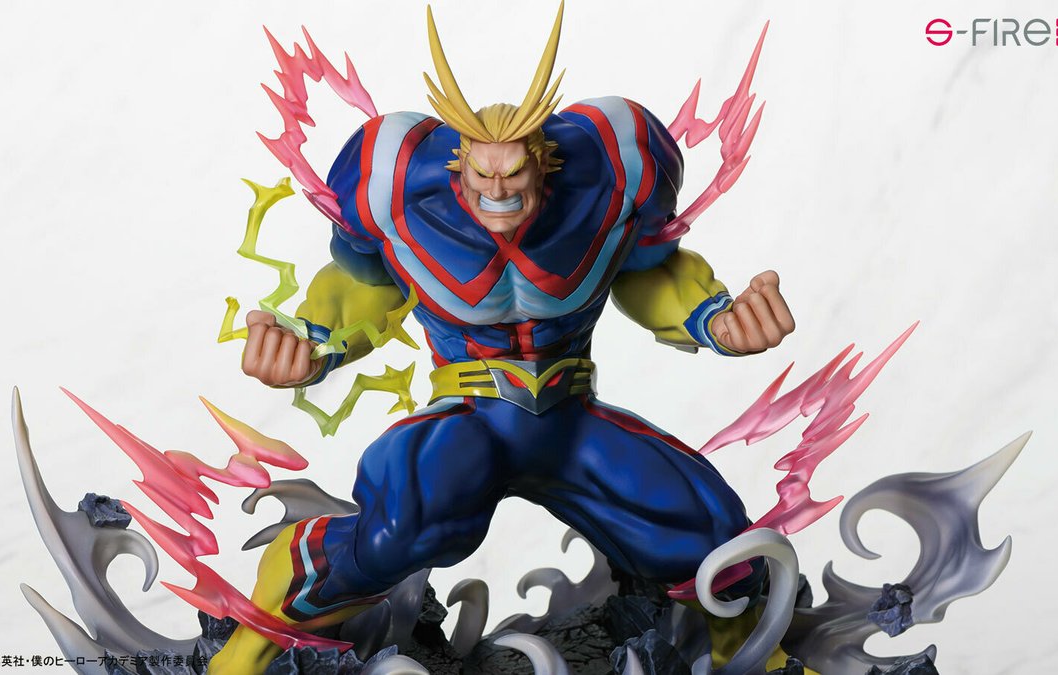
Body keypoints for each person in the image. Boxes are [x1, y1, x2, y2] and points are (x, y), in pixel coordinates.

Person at [213, 5, 794, 672]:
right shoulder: (397, 189)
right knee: (398, 531)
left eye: (513, 175)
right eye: (480, 176)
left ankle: (753, 654)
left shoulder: (612, 175)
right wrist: (312, 341)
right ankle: (247, 647)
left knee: (708, 532)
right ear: (457, 163)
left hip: (569, 418)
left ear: (543, 162)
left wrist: (716, 318)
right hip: (469, 415)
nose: (496, 191)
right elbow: (364, 282)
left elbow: (649, 269)